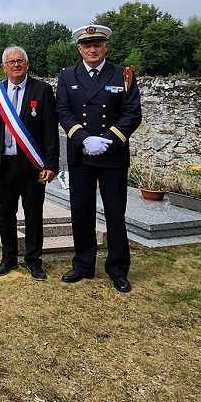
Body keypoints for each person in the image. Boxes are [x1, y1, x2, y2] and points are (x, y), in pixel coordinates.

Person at [55, 23, 142, 292]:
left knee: (115, 213)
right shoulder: (67, 76)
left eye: (97, 44)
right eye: (86, 45)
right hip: (81, 155)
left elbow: (132, 113)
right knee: (81, 211)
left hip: (112, 155)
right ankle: (83, 264)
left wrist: (108, 140)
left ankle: (118, 268)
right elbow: (63, 111)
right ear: (79, 48)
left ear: (106, 46)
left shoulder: (123, 75)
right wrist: (83, 138)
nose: (92, 49)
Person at [0, 46, 59, 280]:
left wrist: (51, 164)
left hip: (32, 165)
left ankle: (34, 261)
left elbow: (50, 131)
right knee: (6, 213)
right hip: (3, 163)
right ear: (4, 67)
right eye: (11, 62)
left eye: (20, 61)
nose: (16, 65)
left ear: (27, 64)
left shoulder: (42, 90)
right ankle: (9, 258)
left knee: (33, 213)